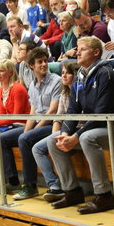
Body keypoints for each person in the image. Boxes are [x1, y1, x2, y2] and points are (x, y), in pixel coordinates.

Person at [47, 36, 114, 213]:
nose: (77, 51)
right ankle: (72, 191)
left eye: (83, 48)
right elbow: (72, 110)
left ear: (96, 52)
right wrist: (65, 133)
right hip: (99, 128)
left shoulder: (106, 74)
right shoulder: (80, 75)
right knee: (53, 140)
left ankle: (104, 196)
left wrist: (76, 137)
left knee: (87, 138)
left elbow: (101, 114)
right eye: (77, 48)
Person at [2, 48, 61, 200]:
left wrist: (30, 132)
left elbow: (53, 111)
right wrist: (26, 131)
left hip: (52, 124)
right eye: (39, 62)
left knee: (25, 139)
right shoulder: (33, 85)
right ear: (31, 66)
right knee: (3, 138)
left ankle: (30, 186)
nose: (44, 64)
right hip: (38, 123)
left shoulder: (56, 81)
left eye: (45, 61)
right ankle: (13, 180)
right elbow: (32, 113)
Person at [33, 61, 80, 202]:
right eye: (62, 72)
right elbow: (58, 118)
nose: (63, 76)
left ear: (76, 75)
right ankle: (54, 186)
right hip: (66, 130)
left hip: (78, 130)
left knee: (48, 143)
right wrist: (55, 136)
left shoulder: (79, 91)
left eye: (68, 73)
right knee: (37, 148)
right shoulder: (64, 92)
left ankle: (68, 189)